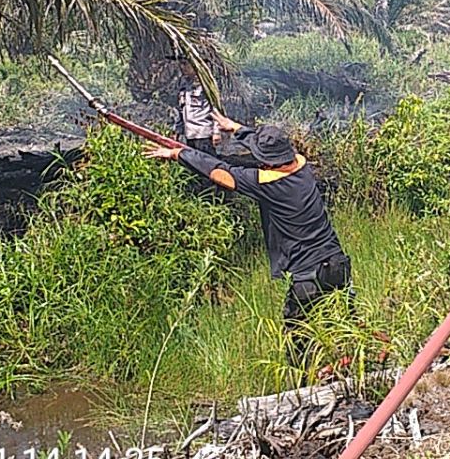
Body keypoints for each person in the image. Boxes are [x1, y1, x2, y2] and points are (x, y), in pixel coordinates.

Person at [143, 111, 353, 361]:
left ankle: (304, 393)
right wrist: (235, 129)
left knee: (298, 345)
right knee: (347, 336)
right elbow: (268, 145)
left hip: (307, 278)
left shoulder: (267, 184)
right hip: (339, 267)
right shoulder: (302, 166)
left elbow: (221, 172)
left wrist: (180, 153)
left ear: (267, 161)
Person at [175, 60, 216, 155]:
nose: (182, 67)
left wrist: (216, 132)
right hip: (189, 134)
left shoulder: (206, 84)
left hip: (203, 133)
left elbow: (215, 109)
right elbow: (181, 111)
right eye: (181, 63)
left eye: (185, 64)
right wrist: (177, 131)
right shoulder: (183, 84)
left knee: (207, 164)